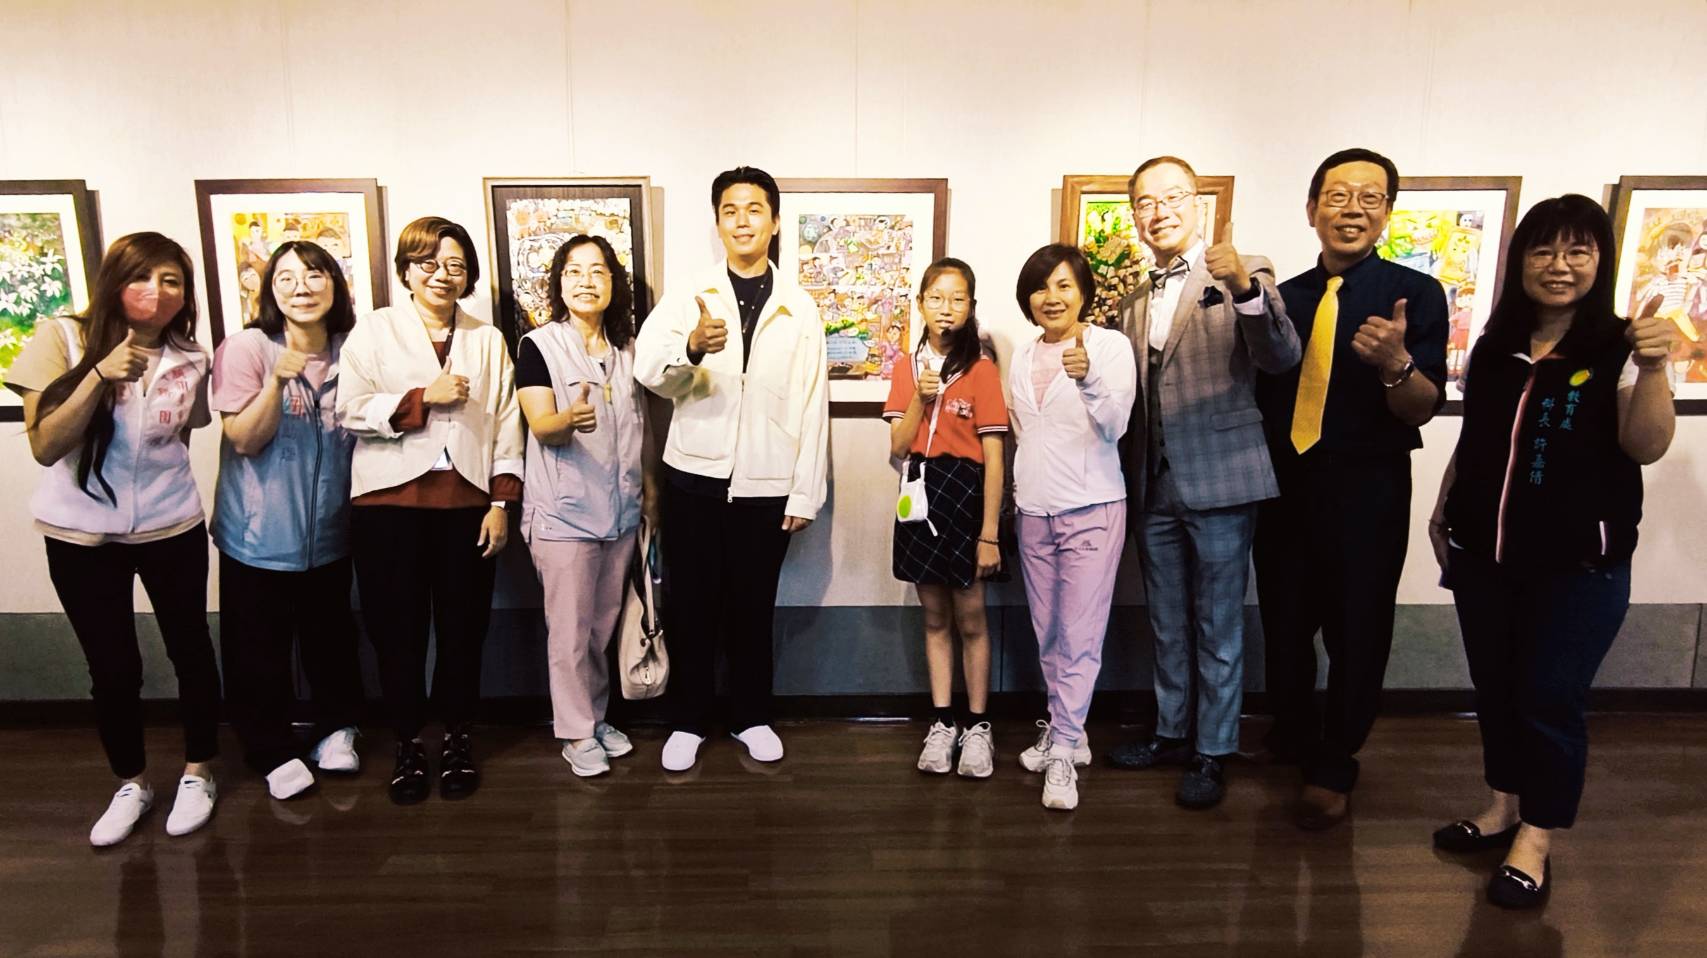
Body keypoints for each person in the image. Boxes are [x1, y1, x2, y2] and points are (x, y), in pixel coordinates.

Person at [1428, 195, 1676, 909]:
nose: (1559, 266)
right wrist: (1444, 507)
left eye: (1577, 251)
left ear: (1600, 261)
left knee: (1549, 697)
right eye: (1543, 250)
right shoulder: (1495, 346)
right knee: (1496, 689)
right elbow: (1477, 442)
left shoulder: (1620, 347)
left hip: (1578, 567)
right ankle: (1502, 806)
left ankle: (1536, 837)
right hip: (1484, 557)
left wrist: (1652, 366)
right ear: (1520, 262)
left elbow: (1645, 445)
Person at [1253, 147, 1449, 830]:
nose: (1352, 210)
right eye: (1337, 196)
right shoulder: (1283, 299)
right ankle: (1293, 734)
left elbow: (1422, 408)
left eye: (1370, 197)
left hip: (1367, 491)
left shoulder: (1413, 296)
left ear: (1387, 213)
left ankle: (1336, 761)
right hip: (1284, 489)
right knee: (1283, 624)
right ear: (1312, 209)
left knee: (1357, 629)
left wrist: (1396, 363)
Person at [6, 232, 220, 845]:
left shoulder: (191, 355)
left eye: (172, 280)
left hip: (171, 525)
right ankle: (132, 782)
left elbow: (180, 438)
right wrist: (99, 375)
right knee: (113, 665)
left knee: (191, 650)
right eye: (142, 277)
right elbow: (46, 445)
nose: (157, 291)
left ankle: (199, 771)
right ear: (113, 282)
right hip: (80, 534)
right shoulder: (62, 338)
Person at [1103, 156, 1301, 810]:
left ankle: (1213, 749)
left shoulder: (1244, 270)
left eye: (1172, 197)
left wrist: (1242, 286)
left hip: (1221, 476)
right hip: (1150, 481)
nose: (1158, 211)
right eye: (1144, 201)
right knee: (1165, 620)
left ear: (1198, 205)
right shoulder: (1132, 299)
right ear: (1134, 215)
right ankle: (1170, 732)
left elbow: (1280, 355)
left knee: (1218, 624)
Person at [633, 166, 828, 773]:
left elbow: (813, 403)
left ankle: (751, 715)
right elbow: (649, 372)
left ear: (774, 222)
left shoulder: (799, 307)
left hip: (767, 485)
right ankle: (688, 720)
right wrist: (691, 347)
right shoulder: (691, 293)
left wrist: (805, 493)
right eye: (730, 210)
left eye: (754, 209)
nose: (742, 221)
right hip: (693, 477)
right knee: (690, 604)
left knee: (752, 605)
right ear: (717, 222)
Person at [337, 216, 524, 804]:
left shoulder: (487, 339)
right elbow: (349, 409)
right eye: (428, 263)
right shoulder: (375, 330)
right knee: (397, 632)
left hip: (467, 505)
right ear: (406, 269)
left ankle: (458, 737)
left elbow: (507, 424)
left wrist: (501, 502)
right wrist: (422, 399)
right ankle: (407, 742)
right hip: (387, 506)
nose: (442, 275)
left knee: (464, 630)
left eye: (455, 265)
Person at [210, 240, 364, 802]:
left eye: (316, 275)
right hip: (257, 535)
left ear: (335, 285)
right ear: (270, 289)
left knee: (332, 641)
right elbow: (242, 438)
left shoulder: (354, 351)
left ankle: (336, 729)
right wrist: (276, 381)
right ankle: (270, 749)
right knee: (258, 652)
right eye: (287, 278)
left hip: (331, 533)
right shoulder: (248, 347)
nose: (302, 288)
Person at [517, 234, 657, 778]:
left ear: (613, 283)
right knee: (570, 634)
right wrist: (567, 420)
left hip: (620, 514)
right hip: (564, 517)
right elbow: (540, 425)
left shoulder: (629, 351)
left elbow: (643, 428)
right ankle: (575, 731)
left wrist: (651, 491)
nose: (586, 281)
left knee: (601, 628)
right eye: (574, 271)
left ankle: (595, 719)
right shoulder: (539, 346)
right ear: (559, 283)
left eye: (598, 271)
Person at [1008, 244, 1137, 810]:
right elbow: (1023, 432)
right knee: (1049, 633)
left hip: (1092, 509)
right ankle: (1069, 731)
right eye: (1041, 287)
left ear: (1083, 292)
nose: (1052, 296)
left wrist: (1088, 380)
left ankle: (1063, 749)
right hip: (1034, 511)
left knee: (1080, 635)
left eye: (1063, 285)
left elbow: (1116, 425)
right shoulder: (1021, 354)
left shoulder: (1108, 347)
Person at [882, 257, 1007, 778]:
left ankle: (978, 726)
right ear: (921, 304)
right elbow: (897, 445)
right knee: (934, 616)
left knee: (971, 617)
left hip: (966, 495)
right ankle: (942, 722)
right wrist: (920, 396)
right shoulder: (906, 367)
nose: (946, 308)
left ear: (971, 307)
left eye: (958, 299)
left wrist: (989, 534)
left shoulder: (982, 369)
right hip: (919, 492)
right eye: (936, 298)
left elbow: (995, 457)